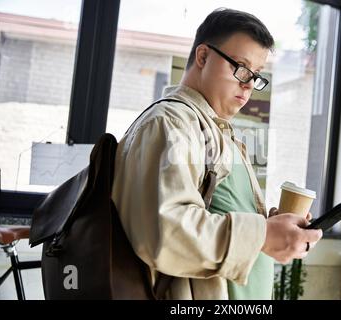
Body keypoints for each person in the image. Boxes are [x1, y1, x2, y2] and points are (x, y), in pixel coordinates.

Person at [111, 8, 323, 300]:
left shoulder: (218, 131)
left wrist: (269, 225)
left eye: (257, 75)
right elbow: (166, 233)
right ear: (203, 57)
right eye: (241, 67)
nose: (248, 84)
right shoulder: (171, 123)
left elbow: (222, 217)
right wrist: (262, 234)